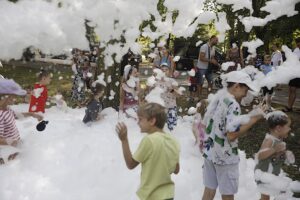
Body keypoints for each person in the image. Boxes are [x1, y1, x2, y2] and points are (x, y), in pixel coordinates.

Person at [201, 70, 265, 200]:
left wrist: (251, 114)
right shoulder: (233, 105)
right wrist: (255, 118)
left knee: (208, 191)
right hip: (225, 157)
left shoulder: (220, 98)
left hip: (210, 153)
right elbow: (231, 135)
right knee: (228, 195)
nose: (246, 93)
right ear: (237, 86)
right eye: (246, 89)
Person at [115, 102, 180, 200]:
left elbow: (131, 164)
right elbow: (176, 169)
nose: (138, 123)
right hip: (168, 195)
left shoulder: (149, 140)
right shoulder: (173, 141)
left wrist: (124, 140)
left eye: (140, 119)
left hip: (152, 196)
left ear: (152, 121)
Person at [0, 79, 43, 164]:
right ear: (5, 97)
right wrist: (11, 142)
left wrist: (32, 114)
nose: (15, 99)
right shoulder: (0, 115)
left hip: (14, 147)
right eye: (13, 96)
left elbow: (17, 115)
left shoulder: (7, 109)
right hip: (7, 153)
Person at [254, 111, 294, 200]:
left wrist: (286, 154)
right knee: (266, 196)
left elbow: (278, 155)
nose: (290, 129)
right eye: (288, 126)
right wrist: (274, 149)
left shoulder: (279, 140)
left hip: (272, 174)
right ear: (278, 128)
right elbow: (260, 155)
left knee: (269, 195)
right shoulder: (269, 140)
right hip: (263, 174)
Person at [154, 63, 181, 131]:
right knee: (158, 127)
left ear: (169, 71)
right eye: (162, 70)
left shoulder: (172, 81)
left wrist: (172, 90)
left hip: (171, 107)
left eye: (166, 70)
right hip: (160, 108)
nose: (164, 71)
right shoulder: (156, 82)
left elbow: (179, 95)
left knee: (172, 127)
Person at [283, 37, 300, 112]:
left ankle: (289, 107)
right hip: (294, 72)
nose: (297, 44)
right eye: (297, 42)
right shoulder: (296, 50)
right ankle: (289, 106)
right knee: (291, 89)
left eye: (298, 42)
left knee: (292, 89)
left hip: (298, 72)